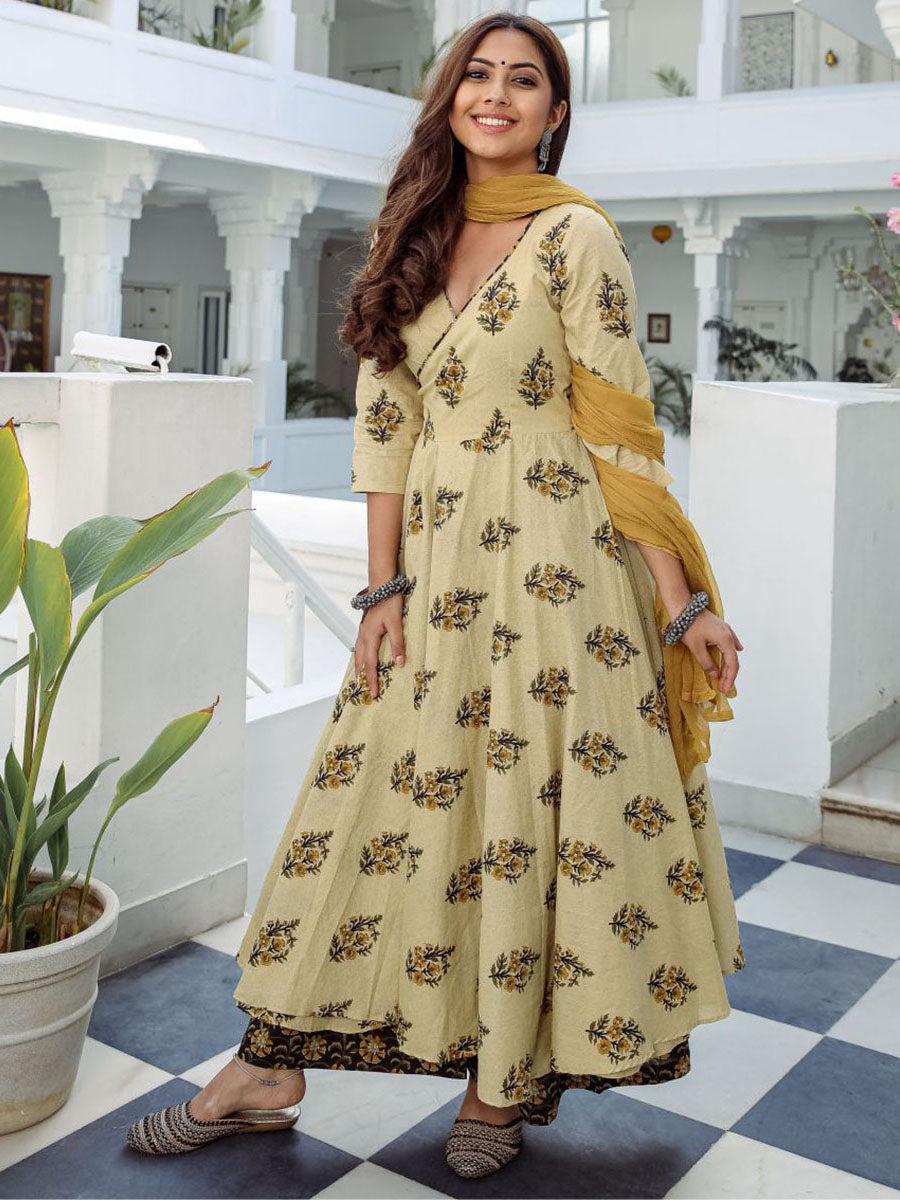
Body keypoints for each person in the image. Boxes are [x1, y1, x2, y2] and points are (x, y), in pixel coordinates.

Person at [126, 11, 745, 1178]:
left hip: (562, 573)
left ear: (555, 113)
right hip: (438, 569)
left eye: (525, 80)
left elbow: (622, 432)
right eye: (478, 74)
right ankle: (267, 1065)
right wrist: (383, 592)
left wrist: (679, 605)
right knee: (366, 807)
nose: (497, 94)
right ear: (449, 97)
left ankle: (497, 1084)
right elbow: (385, 424)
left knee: (530, 817)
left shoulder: (576, 237)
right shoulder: (410, 227)